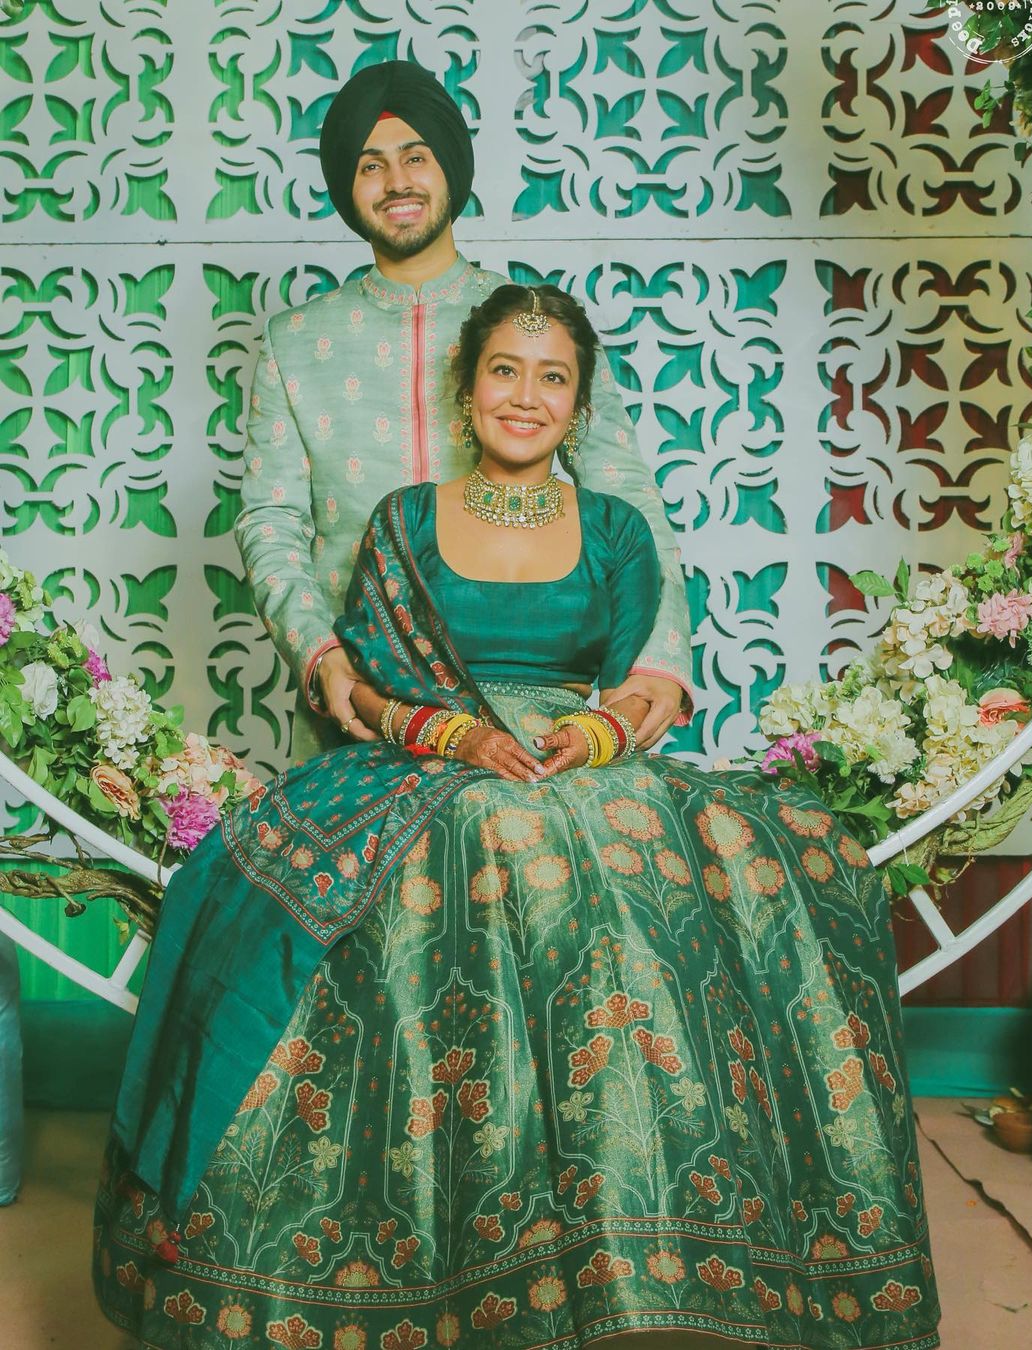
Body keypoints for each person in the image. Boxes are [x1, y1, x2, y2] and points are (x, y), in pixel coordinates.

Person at [93, 285, 940, 1350]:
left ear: (580, 407)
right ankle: (468, 1249)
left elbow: (645, 692)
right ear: (467, 387)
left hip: (583, 764)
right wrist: (457, 740)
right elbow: (374, 694)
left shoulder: (618, 530)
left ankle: (643, 1239)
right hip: (425, 765)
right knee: (479, 840)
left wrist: (582, 741)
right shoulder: (405, 520)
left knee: (756, 866)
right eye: (505, 370)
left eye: (553, 378)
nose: (525, 396)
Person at [236, 59, 692, 766]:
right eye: (370, 166)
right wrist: (320, 656)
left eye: (416, 158)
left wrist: (656, 662)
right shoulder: (295, 343)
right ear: (346, 188)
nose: (397, 184)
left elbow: (625, 488)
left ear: (449, 166)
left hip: (532, 711)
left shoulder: (527, 321)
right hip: (368, 702)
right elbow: (271, 522)